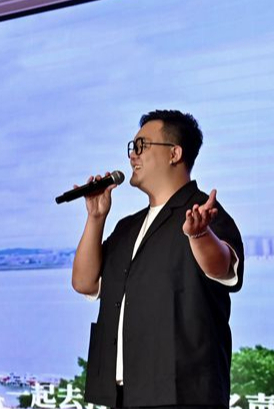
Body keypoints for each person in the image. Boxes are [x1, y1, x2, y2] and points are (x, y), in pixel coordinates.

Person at [71, 110, 244, 409]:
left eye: (141, 146)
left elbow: (223, 267)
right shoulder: (128, 227)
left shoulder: (204, 212)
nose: (132, 156)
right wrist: (96, 218)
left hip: (183, 395)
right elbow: (84, 282)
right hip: (125, 395)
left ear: (174, 153)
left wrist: (199, 234)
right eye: (132, 147)